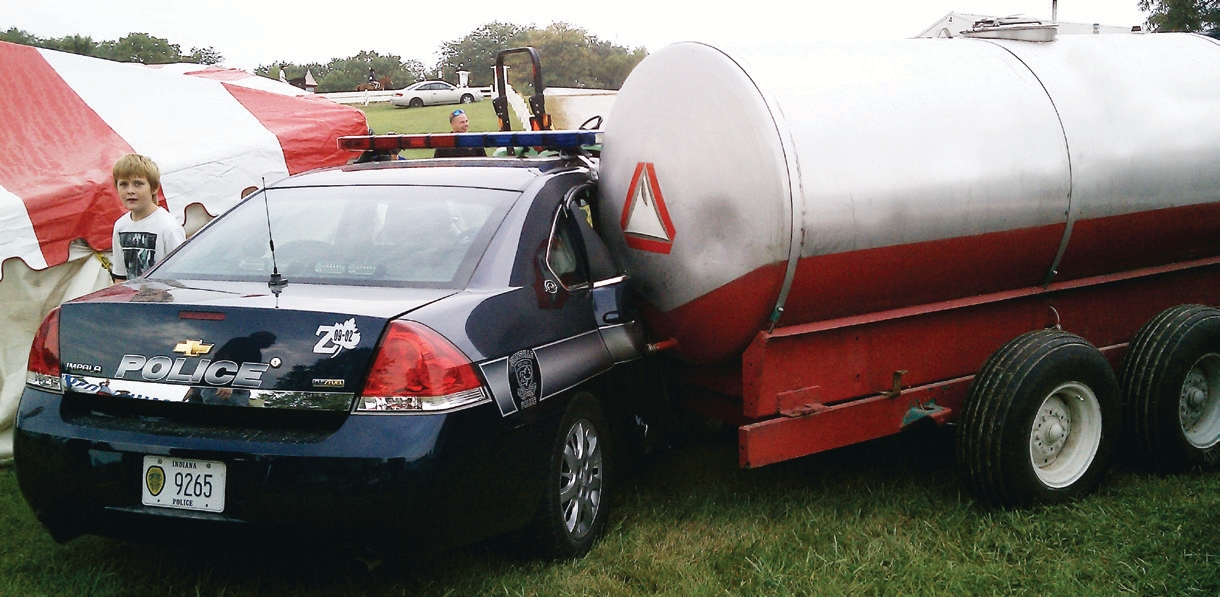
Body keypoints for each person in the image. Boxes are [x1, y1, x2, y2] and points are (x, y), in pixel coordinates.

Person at [110, 154, 186, 282]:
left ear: (154, 187)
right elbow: (120, 277)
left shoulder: (168, 228)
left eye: (138, 184)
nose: (130, 190)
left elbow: (182, 276)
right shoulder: (120, 226)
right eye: (123, 184)